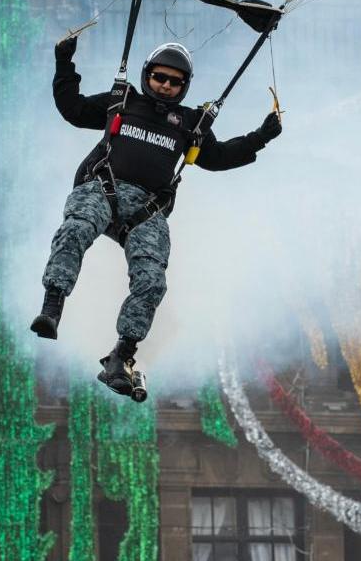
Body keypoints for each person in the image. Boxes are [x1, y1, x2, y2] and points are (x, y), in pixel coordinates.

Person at [31, 33, 283, 399]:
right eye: (159, 78)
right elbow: (73, 109)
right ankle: (52, 305)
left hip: (147, 209)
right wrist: (64, 62)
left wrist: (260, 137)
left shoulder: (190, 123)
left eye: (174, 82)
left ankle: (121, 356)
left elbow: (219, 158)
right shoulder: (123, 101)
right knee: (76, 228)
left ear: (184, 86)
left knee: (152, 279)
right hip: (104, 188)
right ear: (147, 74)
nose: (165, 86)